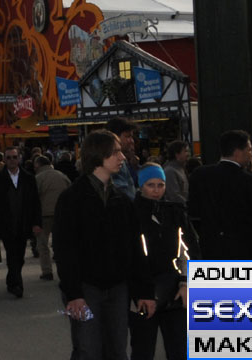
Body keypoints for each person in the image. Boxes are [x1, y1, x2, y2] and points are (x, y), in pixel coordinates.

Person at [53, 130, 155, 360]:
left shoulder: (121, 200)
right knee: (88, 349)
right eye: (116, 152)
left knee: (118, 350)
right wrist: (74, 294)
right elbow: (64, 250)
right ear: (99, 154)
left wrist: (144, 292)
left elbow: (136, 250)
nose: (122, 157)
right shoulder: (71, 199)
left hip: (118, 287)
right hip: (85, 287)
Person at [129, 165, 198, 360]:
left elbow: (187, 249)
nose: (156, 190)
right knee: (143, 348)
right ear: (141, 185)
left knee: (178, 348)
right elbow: (130, 257)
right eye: (151, 185)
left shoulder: (174, 211)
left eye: (161, 185)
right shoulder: (131, 214)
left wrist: (185, 282)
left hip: (174, 287)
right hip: (142, 292)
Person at [187, 130, 252, 259]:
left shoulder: (200, 175)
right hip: (243, 251)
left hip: (210, 249)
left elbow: (193, 210)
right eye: (249, 150)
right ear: (237, 152)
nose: (251, 154)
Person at [0, 146, 41, 299]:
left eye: (14, 157)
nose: (12, 160)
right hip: (6, 224)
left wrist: (37, 223)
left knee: (20, 255)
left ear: (19, 158)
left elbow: (36, 202)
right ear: (4, 159)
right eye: (8, 157)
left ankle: (12, 280)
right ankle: (17, 284)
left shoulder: (29, 178)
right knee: (12, 253)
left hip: (24, 222)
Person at [32, 154, 69, 282]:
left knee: (43, 245)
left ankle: (47, 272)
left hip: (44, 215)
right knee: (62, 244)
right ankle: (65, 270)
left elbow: (34, 198)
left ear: (38, 165)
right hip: (61, 214)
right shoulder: (61, 176)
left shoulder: (38, 178)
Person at [105, 118, 140, 199]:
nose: (132, 141)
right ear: (115, 137)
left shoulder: (123, 161)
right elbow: (125, 193)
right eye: (128, 136)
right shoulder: (115, 162)